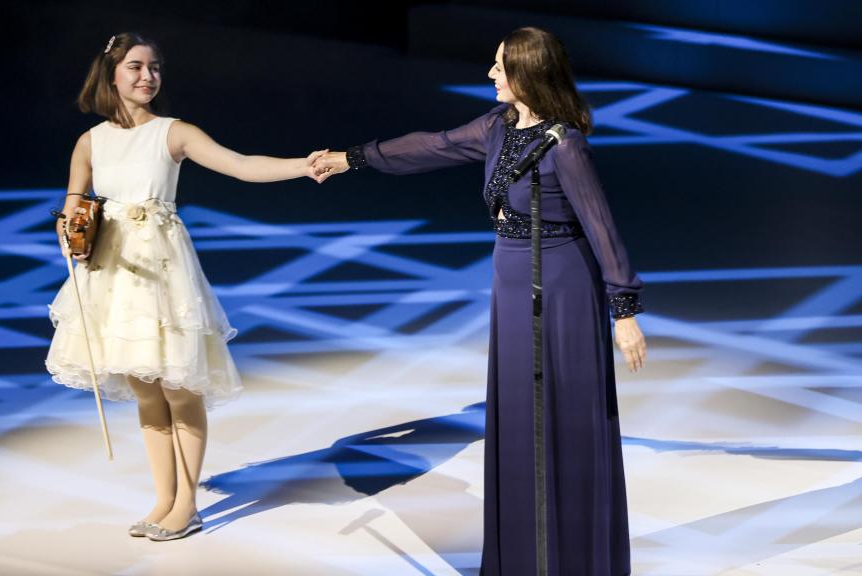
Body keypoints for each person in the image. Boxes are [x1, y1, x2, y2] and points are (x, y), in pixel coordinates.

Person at [315, 26, 647, 576]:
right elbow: (429, 145)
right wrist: (353, 158)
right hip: (512, 285)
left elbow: (601, 225)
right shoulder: (496, 127)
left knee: (562, 425)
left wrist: (624, 311)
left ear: (529, 74)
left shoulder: (564, 144)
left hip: (558, 290)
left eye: (501, 66)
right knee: (518, 420)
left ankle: (574, 559)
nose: (491, 74)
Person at [45, 32, 326, 542]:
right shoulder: (90, 141)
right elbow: (73, 202)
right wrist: (70, 232)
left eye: (154, 68)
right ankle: (163, 498)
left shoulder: (172, 133)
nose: (147, 76)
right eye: (135, 67)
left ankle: (187, 504)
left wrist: (300, 167)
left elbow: (240, 165)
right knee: (144, 389)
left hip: (162, 270)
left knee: (178, 385)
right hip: (113, 273)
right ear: (110, 74)